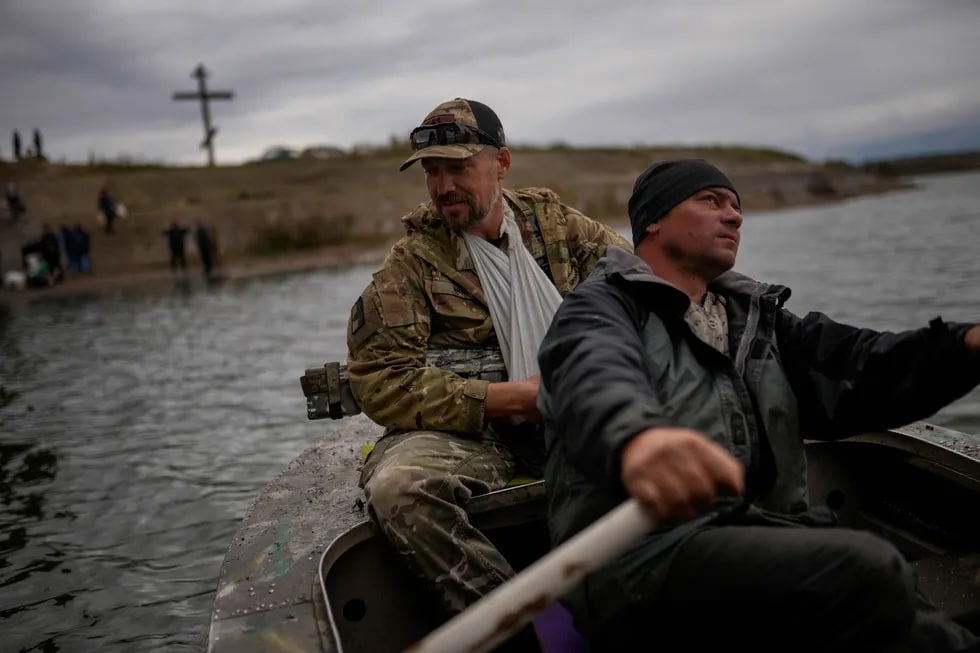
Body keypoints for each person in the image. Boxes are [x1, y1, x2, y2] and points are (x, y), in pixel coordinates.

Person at [536, 158, 980, 652]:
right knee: (866, 567)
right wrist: (638, 438)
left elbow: (861, 365)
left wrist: (964, 347)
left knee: (919, 615)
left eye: (736, 206)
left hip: (755, 535)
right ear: (653, 220)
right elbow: (592, 374)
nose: (734, 216)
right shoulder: (600, 308)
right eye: (710, 201)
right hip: (635, 559)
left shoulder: (758, 319)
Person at [345, 98, 631, 644]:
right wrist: (504, 398)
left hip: (582, 409)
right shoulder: (411, 265)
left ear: (501, 162)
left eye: (458, 167)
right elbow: (380, 380)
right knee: (400, 490)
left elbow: (640, 291)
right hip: (479, 434)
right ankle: (526, 634)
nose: (443, 185)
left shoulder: (556, 229)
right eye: (432, 171)